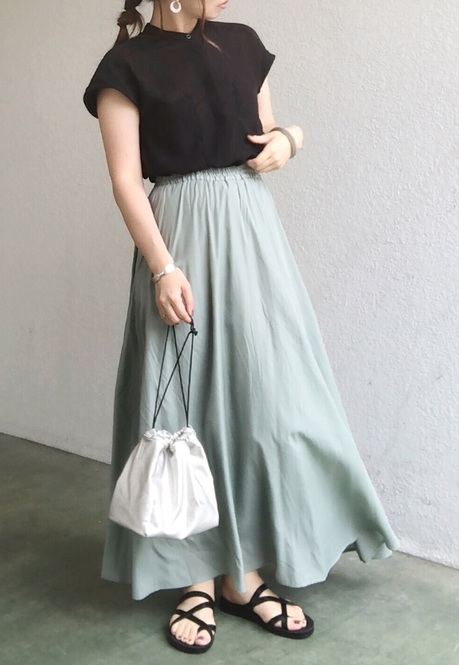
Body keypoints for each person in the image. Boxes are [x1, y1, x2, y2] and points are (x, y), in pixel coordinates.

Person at [83, 0, 399, 655]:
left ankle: (243, 573)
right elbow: (125, 180)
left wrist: (290, 139)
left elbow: (267, 135)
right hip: (177, 241)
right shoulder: (125, 66)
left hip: (252, 234)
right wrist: (162, 267)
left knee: (268, 403)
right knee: (185, 409)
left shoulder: (243, 44)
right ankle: (196, 578)